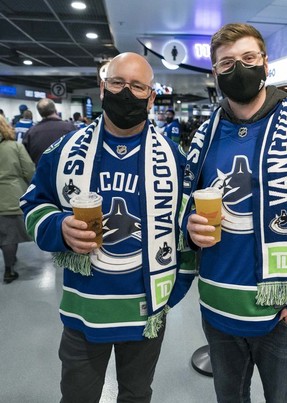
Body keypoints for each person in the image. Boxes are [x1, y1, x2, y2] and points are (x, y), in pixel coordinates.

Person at [179, 23, 287, 403]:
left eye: (248, 58)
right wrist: (189, 228)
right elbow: (185, 207)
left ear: (265, 63)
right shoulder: (204, 136)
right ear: (215, 74)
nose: (238, 69)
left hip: (281, 311)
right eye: (226, 63)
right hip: (218, 307)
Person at [20, 52, 194, 402]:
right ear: (103, 87)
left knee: (135, 395)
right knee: (78, 396)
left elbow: (186, 230)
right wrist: (59, 227)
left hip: (146, 312)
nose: (126, 93)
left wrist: (171, 296)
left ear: (151, 96)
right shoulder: (64, 150)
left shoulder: (174, 159)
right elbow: (32, 205)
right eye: (117, 83)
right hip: (84, 312)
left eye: (137, 86)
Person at [0, 114, 35, 283]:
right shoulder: (15, 146)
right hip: (10, 196)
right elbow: (29, 170)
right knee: (9, 236)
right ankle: (9, 270)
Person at [22, 98, 75, 165]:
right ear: (55, 110)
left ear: (40, 113)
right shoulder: (70, 128)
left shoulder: (30, 132)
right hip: (65, 172)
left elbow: (26, 158)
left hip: (40, 173)